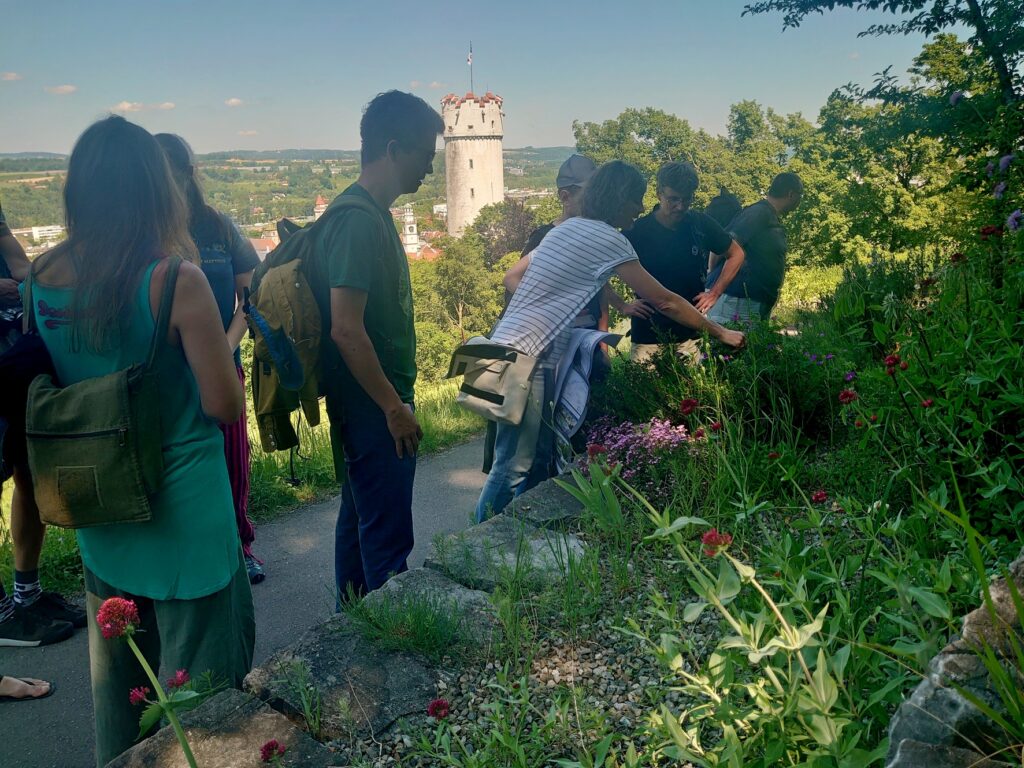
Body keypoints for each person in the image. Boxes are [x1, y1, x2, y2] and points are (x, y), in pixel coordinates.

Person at [28, 115, 254, 767]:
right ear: (156, 192)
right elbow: (222, 403)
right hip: (186, 520)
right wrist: (229, 334)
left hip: (102, 510)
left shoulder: (44, 277)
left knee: (123, 705)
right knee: (203, 715)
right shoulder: (173, 279)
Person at [476, 160, 746, 521]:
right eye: (635, 199)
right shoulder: (609, 239)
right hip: (531, 359)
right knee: (514, 467)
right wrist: (721, 332)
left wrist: (553, 306)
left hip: (506, 347)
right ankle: (480, 539)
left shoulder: (566, 229)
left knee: (531, 458)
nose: (639, 207)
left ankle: (510, 540)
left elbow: (512, 277)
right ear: (619, 200)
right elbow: (666, 300)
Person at [310, 91, 443, 601]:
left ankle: (352, 635)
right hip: (373, 407)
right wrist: (394, 408)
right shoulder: (357, 220)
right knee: (387, 544)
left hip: (369, 404)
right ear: (393, 148)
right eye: (425, 157)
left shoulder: (370, 213)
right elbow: (346, 328)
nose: (429, 170)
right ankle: (383, 654)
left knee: (361, 521)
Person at [155, 133, 265, 585]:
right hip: (167, 374)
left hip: (223, 362)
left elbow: (254, 292)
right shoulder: (144, 234)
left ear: (186, 173)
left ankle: (238, 546)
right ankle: (188, 550)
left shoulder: (218, 227)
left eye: (170, 173)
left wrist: (224, 344)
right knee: (177, 467)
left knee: (232, 460)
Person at [0, 201, 84, 646]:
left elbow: (21, 267)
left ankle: (26, 594)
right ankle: (2, 615)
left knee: (27, 474)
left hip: (12, 359)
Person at [626, 162, 745, 364]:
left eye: (686, 199)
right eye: (673, 199)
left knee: (693, 394)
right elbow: (598, 267)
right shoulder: (637, 230)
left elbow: (736, 254)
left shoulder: (699, 223)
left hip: (693, 334)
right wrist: (621, 304)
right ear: (659, 193)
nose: (680, 206)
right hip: (648, 336)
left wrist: (715, 292)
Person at [706, 171, 803, 324]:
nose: (800, 200)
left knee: (752, 346)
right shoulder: (759, 212)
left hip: (750, 302)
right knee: (732, 346)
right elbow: (721, 244)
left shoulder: (768, 216)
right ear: (791, 194)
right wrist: (714, 287)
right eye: (800, 195)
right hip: (736, 301)